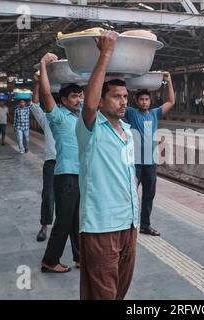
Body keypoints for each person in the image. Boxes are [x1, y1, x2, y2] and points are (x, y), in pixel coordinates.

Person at [76, 31, 139, 300]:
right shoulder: (91, 128)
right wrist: (105, 54)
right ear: (101, 100)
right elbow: (88, 105)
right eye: (116, 96)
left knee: (118, 291)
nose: (123, 101)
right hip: (102, 225)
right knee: (105, 293)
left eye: (125, 96)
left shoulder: (127, 131)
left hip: (129, 223)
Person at [39, 52, 83, 273]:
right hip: (65, 175)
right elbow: (46, 93)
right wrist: (43, 66)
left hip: (80, 175)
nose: (78, 99)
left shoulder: (81, 115)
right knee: (64, 220)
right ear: (64, 100)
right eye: (74, 96)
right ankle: (50, 259)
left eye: (79, 95)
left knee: (76, 219)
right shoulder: (57, 117)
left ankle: (79, 257)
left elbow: (95, 97)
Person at [124, 73, 175, 237]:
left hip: (150, 163)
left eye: (146, 99)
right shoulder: (131, 113)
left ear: (150, 101)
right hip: (135, 163)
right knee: (131, 194)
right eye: (141, 99)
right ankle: (128, 224)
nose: (144, 102)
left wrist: (169, 81)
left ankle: (145, 225)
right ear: (136, 101)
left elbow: (171, 101)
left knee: (148, 196)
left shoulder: (155, 114)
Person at [30, 72, 57, 242]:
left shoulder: (75, 118)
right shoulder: (47, 119)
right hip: (51, 163)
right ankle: (44, 226)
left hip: (71, 164)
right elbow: (34, 104)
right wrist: (38, 83)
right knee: (48, 195)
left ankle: (75, 230)